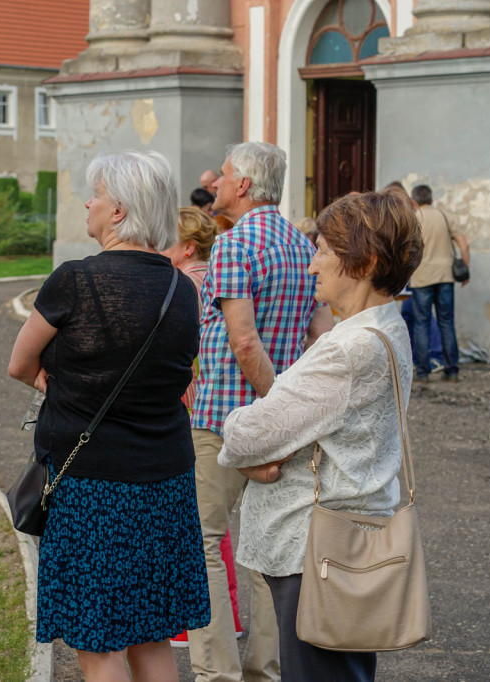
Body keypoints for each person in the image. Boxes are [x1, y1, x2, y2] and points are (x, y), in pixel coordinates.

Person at [8, 150, 210, 681]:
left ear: (118, 210)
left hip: (89, 483)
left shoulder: (73, 280)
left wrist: (61, 385)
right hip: (164, 479)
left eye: (95, 194)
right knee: (152, 636)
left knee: (99, 644)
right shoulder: (182, 289)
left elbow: (19, 364)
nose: (87, 203)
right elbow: (179, 376)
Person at [217, 189, 424, 682]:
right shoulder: (382, 330)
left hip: (317, 554)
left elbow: (251, 433)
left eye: (326, 250)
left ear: (365, 260)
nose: (312, 264)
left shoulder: (349, 350)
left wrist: (241, 439)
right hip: (338, 546)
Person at [189, 141, 333, 682]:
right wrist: (295, 411)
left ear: (244, 185)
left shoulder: (232, 245)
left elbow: (243, 341)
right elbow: (320, 333)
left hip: (225, 420)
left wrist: (269, 415)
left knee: (202, 541)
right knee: (271, 549)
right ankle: (265, 672)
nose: (216, 185)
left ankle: (217, 674)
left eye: (223, 176)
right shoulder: (302, 245)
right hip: (287, 424)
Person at [161, 206, 243, 649]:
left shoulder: (189, 283)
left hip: (191, 401)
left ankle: (208, 616)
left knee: (199, 519)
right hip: (203, 398)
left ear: (188, 246)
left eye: (166, 240)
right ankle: (223, 613)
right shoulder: (209, 275)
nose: (158, 247)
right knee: (211, 519)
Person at [408, 183, 470, 383]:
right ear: (432, 200)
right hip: (445, 276)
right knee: (446, 322)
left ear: (414, 202)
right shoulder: (444, 216)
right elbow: (463, 242)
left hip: (422, 276)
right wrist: (465, 268)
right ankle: (452, 370)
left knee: (421, 324)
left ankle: (423, 372)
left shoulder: (413, 219)